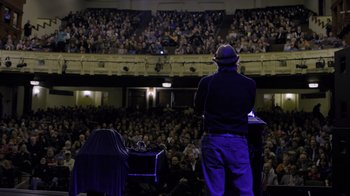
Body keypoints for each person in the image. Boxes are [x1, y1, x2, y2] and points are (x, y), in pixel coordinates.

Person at [195, 44, 256, 196]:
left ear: (216, 62)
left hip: (214, 139)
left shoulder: (206, 82)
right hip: (238, 140)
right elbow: (248, 108)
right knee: (245, 190)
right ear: (236, 61)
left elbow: (197, 110)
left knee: (215, 190)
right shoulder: (249, 83)